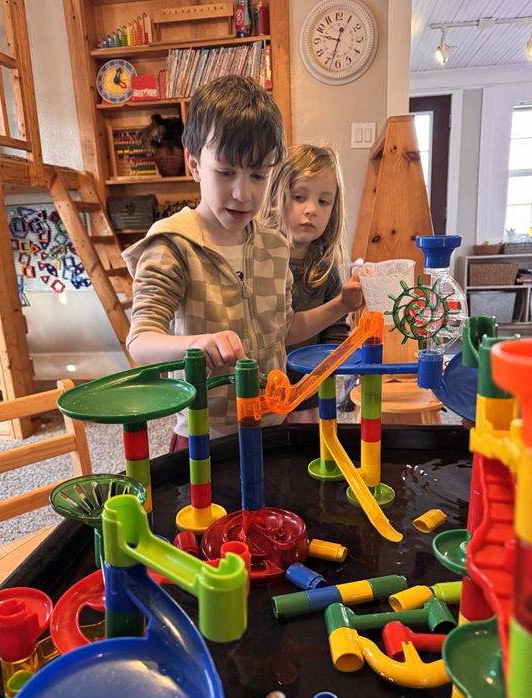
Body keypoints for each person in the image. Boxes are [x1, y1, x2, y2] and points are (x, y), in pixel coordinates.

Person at [122, 75, 363, 450]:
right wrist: (198, 344)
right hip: (204, 436)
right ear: (194, 164)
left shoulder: (275, 247)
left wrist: (340, 306)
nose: (243, 193)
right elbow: (141, 341)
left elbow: (284, 330)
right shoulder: (172, 244)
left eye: (258, 175)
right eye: (226, 172)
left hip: (273, 425)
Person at [262, 144, 352, 423]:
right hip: (260, 392)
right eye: (299, 197)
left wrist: (321, 376)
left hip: (308, 396)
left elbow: (335, 332)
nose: (311, 209)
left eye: (323, 202)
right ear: (275, 196)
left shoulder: (326, 270)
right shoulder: (258, 261)